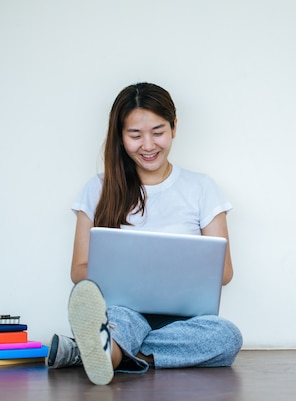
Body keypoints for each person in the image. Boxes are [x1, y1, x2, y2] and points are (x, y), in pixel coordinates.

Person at [47, 82, 243, 385]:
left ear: (174, 127)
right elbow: (79, 270)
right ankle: (110, 345)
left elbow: (225, 272)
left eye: (158, 132)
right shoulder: (98, 188)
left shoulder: (202, 188)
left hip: (184, 322)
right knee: (122, 321)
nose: (148, 145)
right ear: (120, 135)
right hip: (123, 312)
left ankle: (101, 351)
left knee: (226, 337)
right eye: (135, 135)